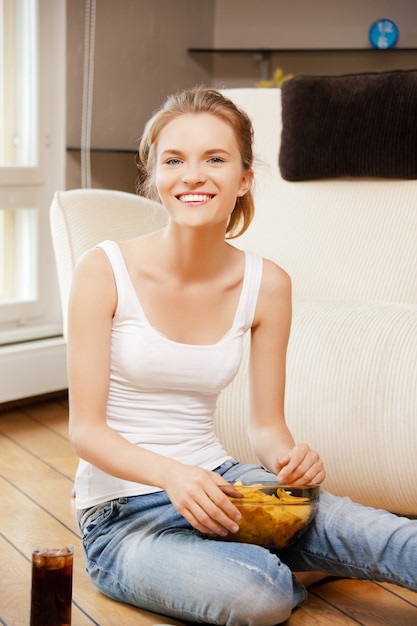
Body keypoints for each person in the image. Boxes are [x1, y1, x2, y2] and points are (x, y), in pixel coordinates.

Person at [67, 86, 417, 625]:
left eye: (215, 158)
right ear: (154, 176)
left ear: (244, 179)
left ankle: (306, 552)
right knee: (260, 593)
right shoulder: (103, 270)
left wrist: (290, 460)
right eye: (175, 160)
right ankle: (297, 562)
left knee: (394, 537)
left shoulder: (267, 284)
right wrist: (173, 476)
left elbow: (267, 427)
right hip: (123, 516)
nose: (193, 175)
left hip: (232, 491)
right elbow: (85, 432)